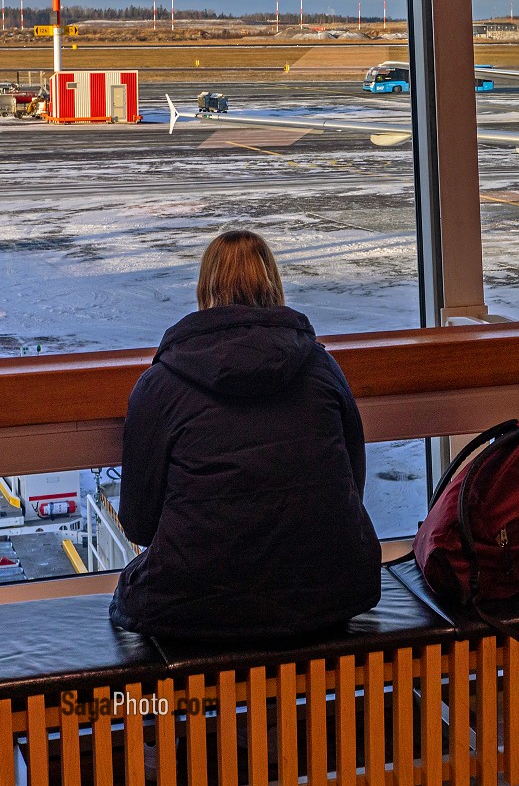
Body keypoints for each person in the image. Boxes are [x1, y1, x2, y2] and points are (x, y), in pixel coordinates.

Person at [110, 230, 382, 639]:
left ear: (205, 290)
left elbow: (139, 525)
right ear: (274, 285)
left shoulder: (161, 384)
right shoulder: (322, 369)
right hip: (330, 596)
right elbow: (351, 488)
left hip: (195, 606)